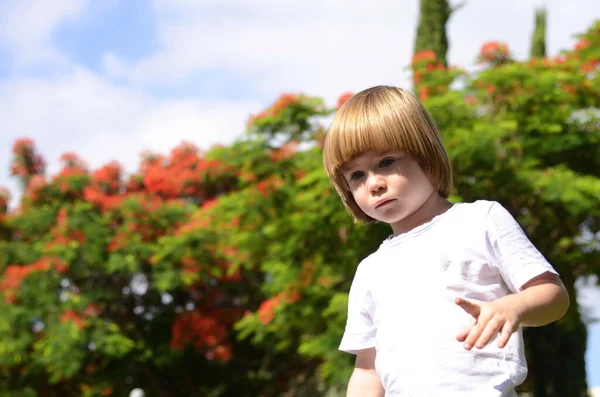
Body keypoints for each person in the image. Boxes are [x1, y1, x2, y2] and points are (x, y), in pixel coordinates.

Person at [322, 85, 570, 396]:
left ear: (424, 155)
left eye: (386, 162)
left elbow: (553, 296)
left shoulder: (480, 220)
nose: (374, 184)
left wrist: (515, 306)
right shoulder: (370, 270)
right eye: (357, 175)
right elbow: (368, 368)